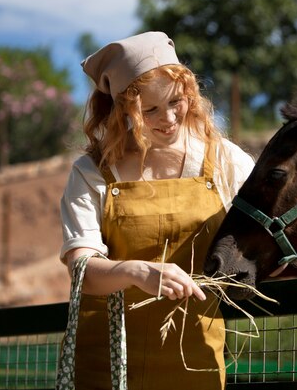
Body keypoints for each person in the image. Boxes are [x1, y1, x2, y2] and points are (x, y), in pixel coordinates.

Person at [59, 31, 255, 390]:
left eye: (176, 102)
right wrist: (137, 272)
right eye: (149, 109)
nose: (168, 119)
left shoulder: (227, 161)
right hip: (107, 365)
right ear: (123, 110)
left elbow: (263, 235)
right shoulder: (90, 173)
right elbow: (82, 271)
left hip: (195, 361)